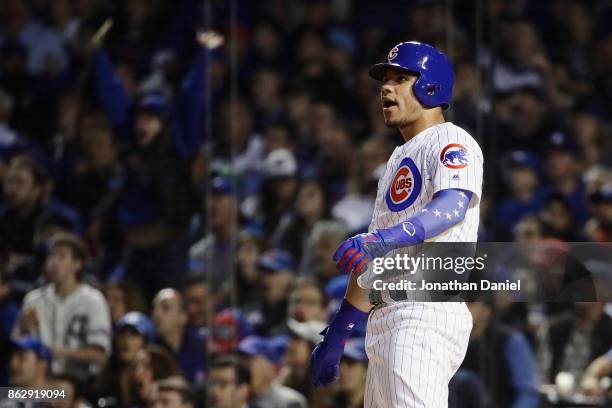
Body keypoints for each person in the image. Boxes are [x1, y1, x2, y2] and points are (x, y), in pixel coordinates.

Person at [310, 42, 483, 407]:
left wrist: (384, 239)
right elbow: (374, 262)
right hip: (388, 319)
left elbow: (452, 207)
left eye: (400, 79)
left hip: (424, 310)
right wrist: (338, 334)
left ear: (430, 86)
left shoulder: (452, 139)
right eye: (384, 81)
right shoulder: (397, 158)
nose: (385, 88)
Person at [12, 233, 111, 381]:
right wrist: (23, 329)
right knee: (7, 395)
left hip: (77, 383)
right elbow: (15, 346)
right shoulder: (33, 299)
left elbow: (99, 354)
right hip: (38, 382)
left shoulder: (93, 300)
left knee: (60, 394)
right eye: (51, 256)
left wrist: (57, 352)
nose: (53, 262)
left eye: (61, 256)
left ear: (77, 264)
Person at [152, 288, 206, 385]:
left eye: (165, 308)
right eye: (154, 308)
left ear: (183, 317)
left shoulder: (202, 347)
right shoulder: (149, 352)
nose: (157, 314)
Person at [238, 335, 307, 408]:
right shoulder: (238, 401)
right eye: (241, 362)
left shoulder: (289, 402)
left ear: (268, 367)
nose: (243, 369)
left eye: (249, 363)